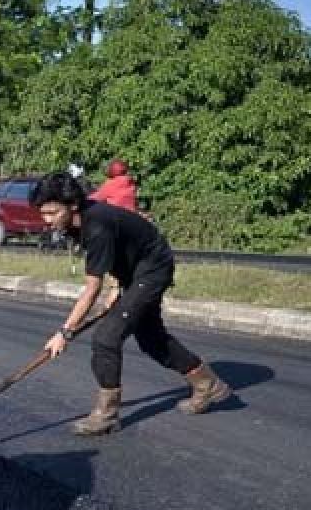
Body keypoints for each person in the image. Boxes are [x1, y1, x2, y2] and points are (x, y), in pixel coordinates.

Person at [30, 172, 231, 435]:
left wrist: (65, 332)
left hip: (153, 268)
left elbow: (91, 288)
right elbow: (117, 250)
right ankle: (207, 385)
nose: (47, 220)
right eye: (43, 213)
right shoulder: (78, 222)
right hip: (135, 271)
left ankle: (106, 415)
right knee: (151, 339)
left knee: (106, 338)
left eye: (52, 213)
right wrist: (118, 285)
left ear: (73, 205)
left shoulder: (96, 226)